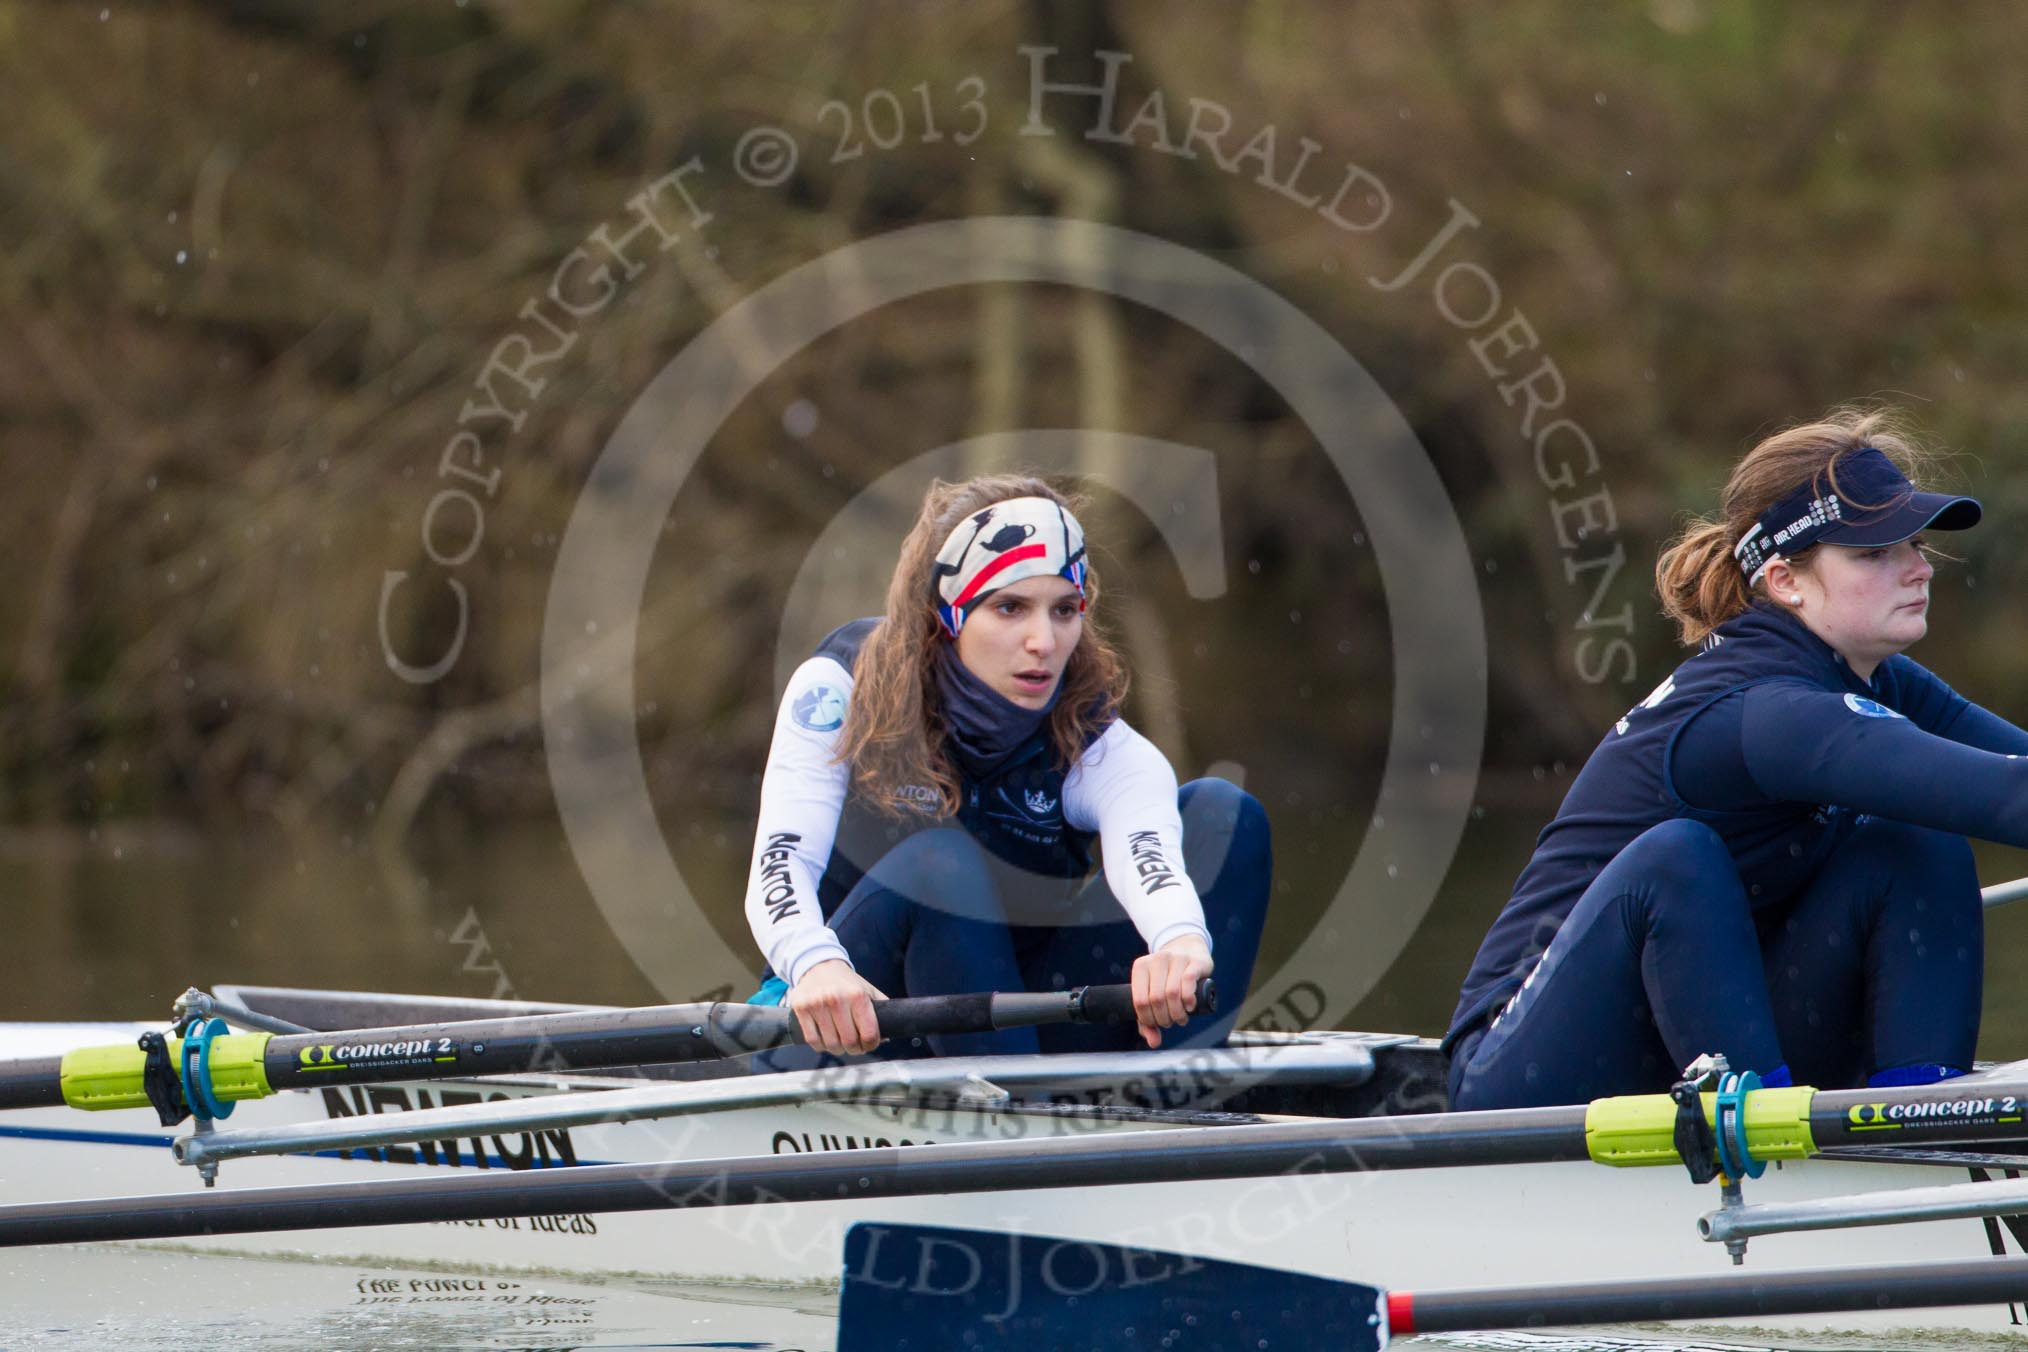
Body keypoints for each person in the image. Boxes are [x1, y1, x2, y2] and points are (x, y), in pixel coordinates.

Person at [1446, 407, 2025, 1110]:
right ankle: (1766, 1139)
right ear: (1786, 581)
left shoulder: (1880, 682)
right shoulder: (1770, 711)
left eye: (1914, 542)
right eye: (1874, 553)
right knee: (1677, 855)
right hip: (1516, 1070)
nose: (1917, 567)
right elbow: (2008, 799)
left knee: (1918, 842)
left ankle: (1915, 1115)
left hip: (1688, 1034)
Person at [741, 474, 1271, 1060]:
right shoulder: (838, 689)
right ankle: (1027, 1126)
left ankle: (1166, 1103)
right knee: (938, 866)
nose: (1043, 640)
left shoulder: (1099, 744)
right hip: (851, 1014)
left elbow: (1150, 857)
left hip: (1015, 1017)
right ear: (947, 616)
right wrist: (814, 964)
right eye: (1010, 607)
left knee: (1225, 814)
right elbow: (780, 862)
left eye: (1064, 610)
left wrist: (1180, 942)